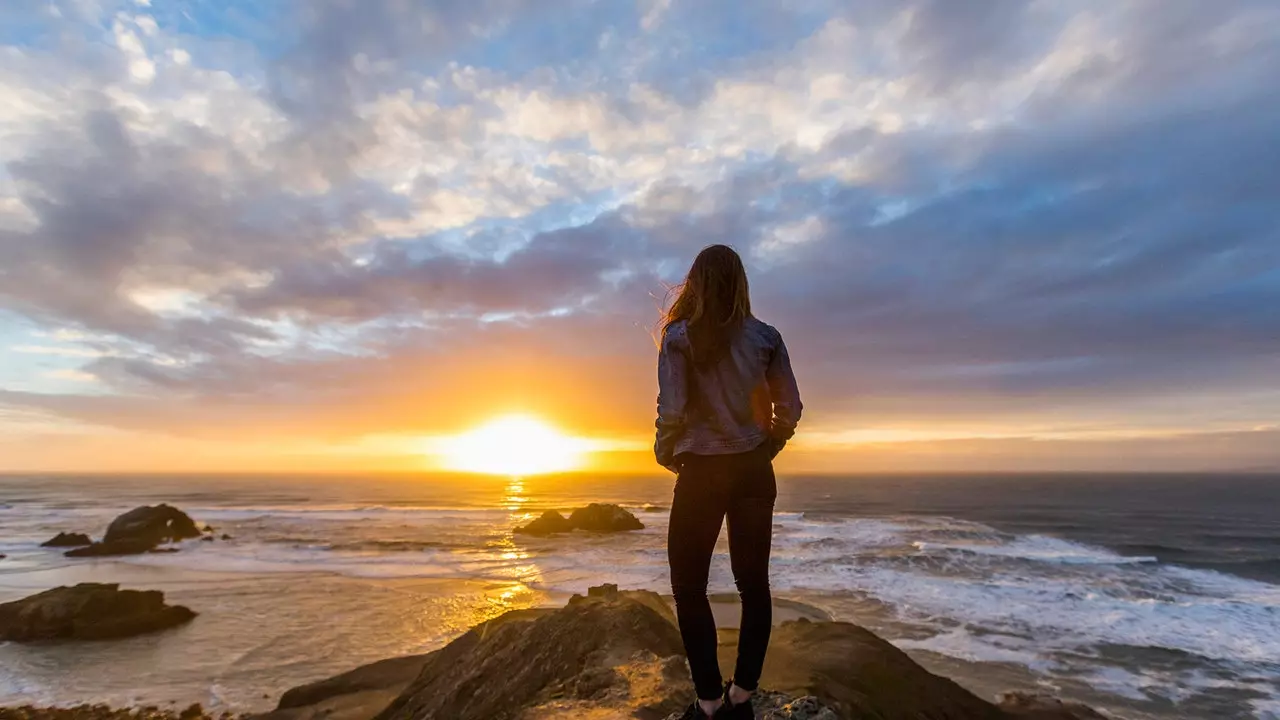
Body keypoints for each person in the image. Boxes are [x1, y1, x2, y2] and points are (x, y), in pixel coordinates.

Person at [654, 244, 803, 719]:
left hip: (700, 472)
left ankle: (710, 703)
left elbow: (671, 409)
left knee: (689, 587)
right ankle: (742, 698)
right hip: (753, 470)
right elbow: (790, 408)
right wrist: (767, 448)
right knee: (753, 586)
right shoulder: (766, 337)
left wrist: (665, 448)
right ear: (740, 283)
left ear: (695, 283)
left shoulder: (679, 337)